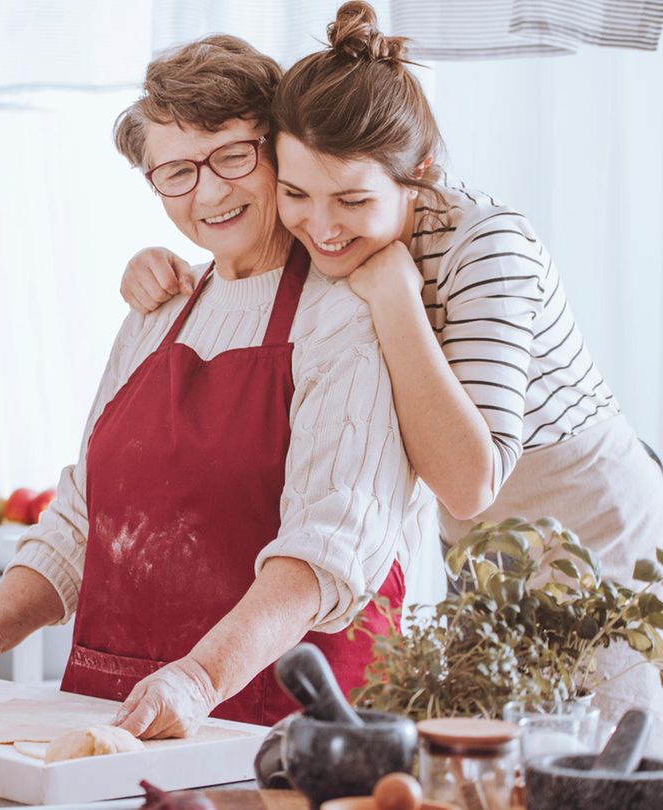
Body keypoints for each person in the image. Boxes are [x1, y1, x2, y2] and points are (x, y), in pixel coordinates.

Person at [118, 1, 663, 732]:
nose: (320, 225)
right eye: (297, 194)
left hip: (596, 529)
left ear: (422, 172)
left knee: (605, 761)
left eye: (352, 200)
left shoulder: (488, 247)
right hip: (482, 554)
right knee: (492, 764)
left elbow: (469, 482)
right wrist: (158, 267)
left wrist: (397, 298)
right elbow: (245, 255)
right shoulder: (328, 228)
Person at [0, 33, 432, 738]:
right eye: (177, 172)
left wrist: (200, 677)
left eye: (233, 156)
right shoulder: (157, 309)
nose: (210, 192)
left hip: (276, 728)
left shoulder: (346, 314)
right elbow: (82, 518)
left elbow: (328, 549)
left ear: (279, 151)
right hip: (118, 717)